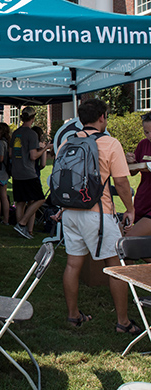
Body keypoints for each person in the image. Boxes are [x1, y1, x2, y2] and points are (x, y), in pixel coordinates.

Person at [61, 98, 141, 335]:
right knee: (115, 267)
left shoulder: (68, 141)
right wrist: (130, 208)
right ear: (102, 117)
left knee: (73, 264)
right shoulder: (110, 143)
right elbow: (122, 183)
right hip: (98, 214)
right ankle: (123, 322)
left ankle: (73, 315)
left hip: (71, 211)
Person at [10, 106, 52, 239]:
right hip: (28, 172)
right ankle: (22, 224)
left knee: (20, 202)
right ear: (33, 118)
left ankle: (22, 229)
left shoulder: (16, 133)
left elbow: (11, 153)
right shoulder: (32, 134)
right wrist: (45, 148)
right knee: (39, 199)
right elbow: (33, 156)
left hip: (16, 172)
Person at [125, 111, 151, 237]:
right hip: (143, 200)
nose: (149, 135)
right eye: (146, 132)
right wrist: (130, 162)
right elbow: (132, 172)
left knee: (128, 243)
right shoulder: (143, 144)